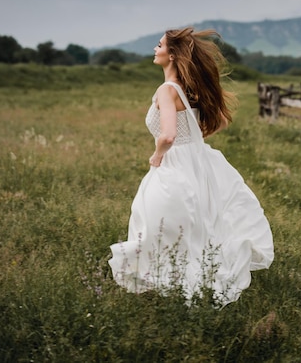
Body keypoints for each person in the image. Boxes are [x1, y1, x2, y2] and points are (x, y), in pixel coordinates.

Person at [109, 27, 274, 306]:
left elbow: (168, 135)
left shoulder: (166, 90)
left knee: (156, 222)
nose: (155, 49)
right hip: (198, 160)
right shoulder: (190, 89)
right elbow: (221, 121)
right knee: (195, 222)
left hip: (175, 163)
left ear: (171, 54)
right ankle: (191, 276)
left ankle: (172, 279)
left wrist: (158, 156)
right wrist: (195, 140)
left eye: (159, 45)